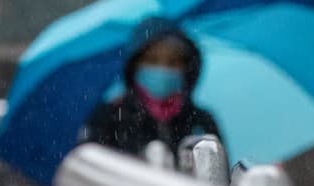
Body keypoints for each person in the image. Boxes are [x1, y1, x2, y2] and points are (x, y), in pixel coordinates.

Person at [81, 17, 222, 163]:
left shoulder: (201, 121)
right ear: (135, 66)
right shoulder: (109, 118)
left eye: (173, 62)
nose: (163, 68)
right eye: (153, 60)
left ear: (186, 69)